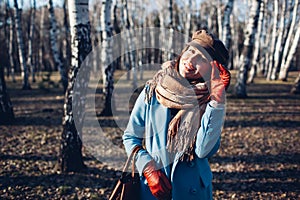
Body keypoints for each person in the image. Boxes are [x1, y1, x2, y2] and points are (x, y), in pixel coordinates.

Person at [122, 29, 231, 200]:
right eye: (191, 51)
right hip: (155, 188)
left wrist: (217, 102)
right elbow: (130, 137)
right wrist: (147, 168)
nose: (191, 60)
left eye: (202, 59)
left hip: (193, 190)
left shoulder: (209, 101)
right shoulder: (153, 90)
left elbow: (203, 151)